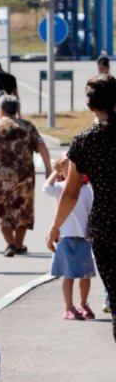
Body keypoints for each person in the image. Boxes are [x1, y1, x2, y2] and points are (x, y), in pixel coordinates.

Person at [46, 75, 116, 340]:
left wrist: (55, 227)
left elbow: (71, 192)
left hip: (106, 225)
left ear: (90, 107)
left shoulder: (85, 141)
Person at [0, 95, 52, 257]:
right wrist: (49, 169)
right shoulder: (27, 127)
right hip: (25, 176)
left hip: (0, 177)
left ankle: (10, 244)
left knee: (3, 209)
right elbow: (41, 147)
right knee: (24, 209)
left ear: (1, 110)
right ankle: (19, 244)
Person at [43, 154, 96, 320]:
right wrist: (54, 171)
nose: (71, 167)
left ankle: (83, 304)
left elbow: (90, 210)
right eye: (65, 164)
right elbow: (46, 188)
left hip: (83, 237)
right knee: (69, 274)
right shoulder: (60, 187)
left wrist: (90, 228)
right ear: (61, 169)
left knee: (86, 275)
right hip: (65, 237)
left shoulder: (86, 189)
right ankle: (69, 307)